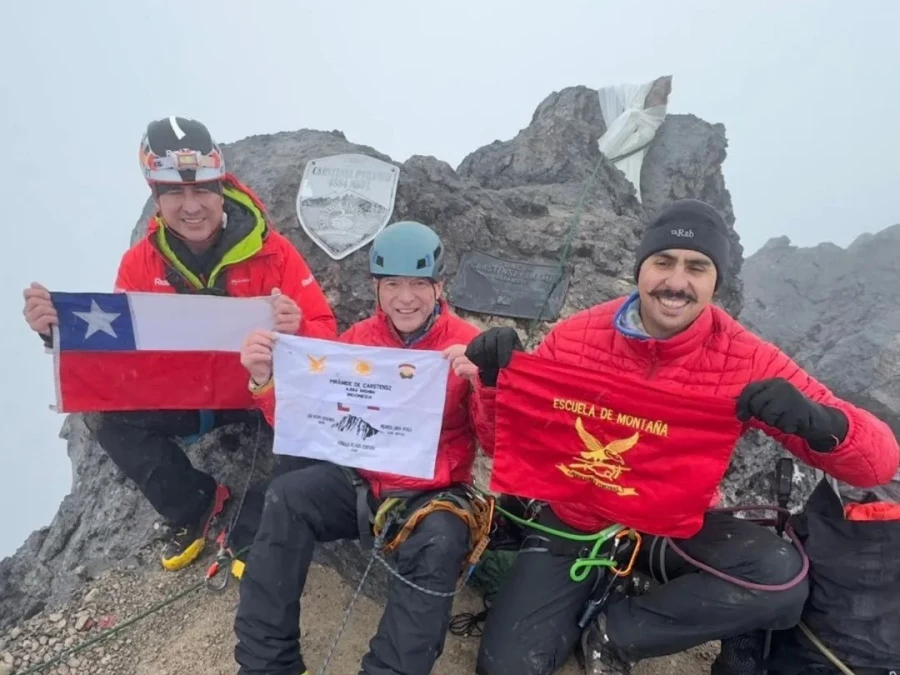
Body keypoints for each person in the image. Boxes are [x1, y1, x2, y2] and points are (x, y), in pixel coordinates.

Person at [450, 198, 900, 675]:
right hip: (576, 520)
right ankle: (600, 585)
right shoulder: (576, 338)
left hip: (676, 524)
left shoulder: (746, 359)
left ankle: (617, 633)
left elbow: (878, 465)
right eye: (663, 262)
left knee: (778, 582)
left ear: (715, 281)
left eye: (697, 267)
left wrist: (821, 424)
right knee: (505, 668)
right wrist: (494, 384)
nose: (676, 282)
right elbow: (503, 447)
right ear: (641, 269)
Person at [21, 116, 338, 573]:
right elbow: (120, 360)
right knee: (104, 416)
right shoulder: (140, 263)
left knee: (320, 423)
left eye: (203, 189)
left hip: (266, 394)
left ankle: (265, 517)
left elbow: (329, 336)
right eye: (174, 192)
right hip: (193, 398)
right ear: (155, 194)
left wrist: (300, 326)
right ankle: (200, 508)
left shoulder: (273, 251)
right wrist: (56, 332)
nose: (192, 206)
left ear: (222, 184)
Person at [233, 221, 487, 675]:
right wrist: (264, 379)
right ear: (376, 287)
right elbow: (307, 422)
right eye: (393, 284)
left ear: (439, 286)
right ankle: (267, 664)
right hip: (362, 482)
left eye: (418, 284)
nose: (405, 298)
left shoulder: (466, 344)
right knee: (287, 496)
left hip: (432, 495)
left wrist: (485, 383)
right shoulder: (357, 341)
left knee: (441, 541)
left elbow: (495, 441)